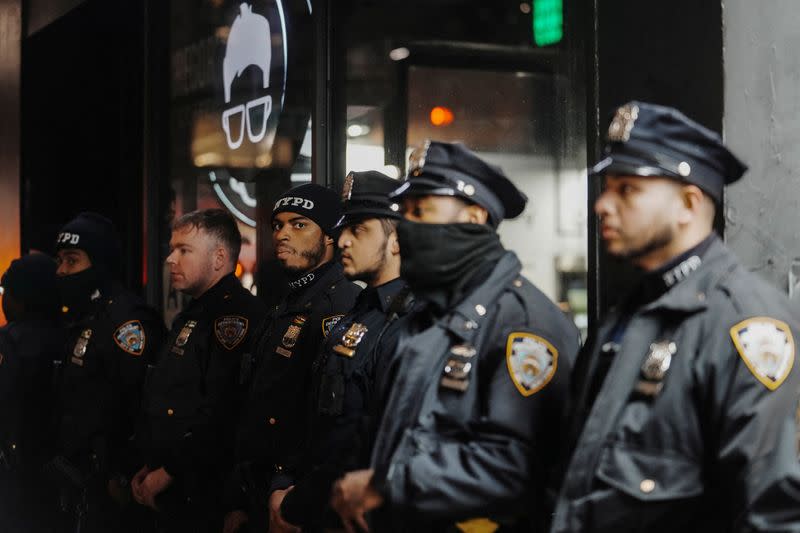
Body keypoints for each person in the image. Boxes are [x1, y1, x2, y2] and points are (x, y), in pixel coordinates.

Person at [550, 101, 800, 532]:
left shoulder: (745, 322)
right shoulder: (629, 313)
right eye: (607, 187)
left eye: (627, 189)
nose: (603, 205)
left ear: (688, 203)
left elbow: (769, 514)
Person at [331, 141, 580, 532]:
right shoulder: (426, 320)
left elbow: (513, 466)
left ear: (475, 215)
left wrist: (388, 485)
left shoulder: (522, 323)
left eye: (421, 210)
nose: (408, 226)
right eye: (405, 212)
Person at [272, 171, 414, 532]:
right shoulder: (361, 308)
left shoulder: (409, 322)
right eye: (343, 229)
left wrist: (294, 503)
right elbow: (320, 420)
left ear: (395, 240)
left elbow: (370, 444)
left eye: (359, 229)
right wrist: (285, 483)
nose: (343, 241)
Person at [224, 183, 360, 533]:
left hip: (298, 496)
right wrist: (239, 498)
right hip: (261, 488)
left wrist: (295, 494)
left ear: (330, 236)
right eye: (278, 225)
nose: (283, 234)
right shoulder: (287, 302)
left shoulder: (341, 305)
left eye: (299, 224)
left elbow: (332, 421)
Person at [133, 209, 266, 532]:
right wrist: (151, 463)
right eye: (172, 248)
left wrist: (168, 472)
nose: (170, 259)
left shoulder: (233, 317)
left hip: (205, 493)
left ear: (219, 258)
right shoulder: (194, 313)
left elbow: (223, 413)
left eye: (184, 250)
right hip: (174, 486)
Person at [50, 212, 166, 532]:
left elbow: (140, 404)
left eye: (72, 261)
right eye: (59, 260)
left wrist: (123, 472)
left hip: (115, 487)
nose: (61, 271)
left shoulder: (125, 321)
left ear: (99, 263)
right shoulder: (86, 318)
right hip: (80, 480)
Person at [0, 254, 65, 532]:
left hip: (13, 473)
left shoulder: (8, 343)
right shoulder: (72, 336)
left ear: (19, 298)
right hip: (59, 474)